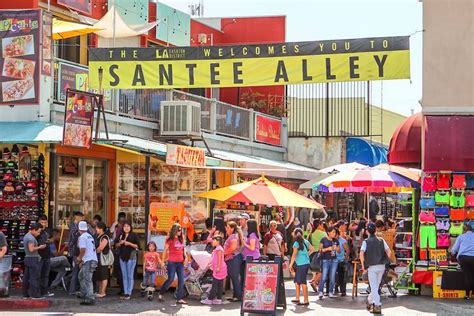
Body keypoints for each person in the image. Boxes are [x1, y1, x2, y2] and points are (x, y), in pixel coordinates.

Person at [359, 223, 392, 314]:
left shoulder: (366, 241)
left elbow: (361, 254)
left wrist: (363, 267)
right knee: (376, 286)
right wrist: (386, 261)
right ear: (376, 230)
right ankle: (370, 301)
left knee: (374, 286)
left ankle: (377, 304)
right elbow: (389, 251)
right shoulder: (381, 240)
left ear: (367, 231)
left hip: (372, 267)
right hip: (381, 266)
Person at [158, 223, 187, 305]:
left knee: (181, 280)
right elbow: (165, 250)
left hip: (180, 263)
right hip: (172, 263)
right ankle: (161, 293)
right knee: (170, 279)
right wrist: (162, 262)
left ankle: (179, 298)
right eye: (179, 230)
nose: (180, 232)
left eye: (181, 230)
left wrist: (185, 257)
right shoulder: (169, 239)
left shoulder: (182, 238)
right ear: (174, 230)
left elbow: (183, 249)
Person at [116, 221, 140, 300]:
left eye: (128, 226)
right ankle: (125, 292)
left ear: (130, 227)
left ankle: (129, 293)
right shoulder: (121, 235)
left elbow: (137, 246)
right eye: (125, 226)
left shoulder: (134, 235)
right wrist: (120, 243)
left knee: (130, 275)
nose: (126, 228)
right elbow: (115, 244)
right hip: (122, 257)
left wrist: (129, 243)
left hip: (131, 257)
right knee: (124, 276)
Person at [289, 228, 313, 306]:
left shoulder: (296, 243)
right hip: (305, 263)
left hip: (300, 264)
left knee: (302, 282)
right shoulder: (306, 241)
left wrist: (290, 265)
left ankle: (306, 300)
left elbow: (294, 255)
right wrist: (306, 255)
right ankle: (297, 298)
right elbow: (312, 249)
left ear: (295, 234)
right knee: (297, 281)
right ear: (302, 234)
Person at [201, 236, 227, 305]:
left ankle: (210, 299)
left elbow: (219, 259)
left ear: (217, 241)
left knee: (215, 285)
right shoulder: (219, 248)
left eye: (213, 240)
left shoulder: (218, 249)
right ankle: (219, 299)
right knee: (220, 285)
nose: (212, 242)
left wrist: (218, 267)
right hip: (221, 268)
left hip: (219, 269)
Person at [77, 221, 98, 305]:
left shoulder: (82, 237)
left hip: (88, 260)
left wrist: (79, 258)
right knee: (81, 276)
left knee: (87, 279)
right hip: (91, 259)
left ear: (79, 229)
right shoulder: (89, 236)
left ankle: (90, 297)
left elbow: (83, 250)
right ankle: (83, 292)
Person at [451, 223, 474, 300]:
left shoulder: (461, 237)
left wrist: (452, 254)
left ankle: (467, 295)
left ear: (464, 230)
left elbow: (454, 250)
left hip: (463, 258)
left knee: (467, 276)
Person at [23, 223, 46, 299]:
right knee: (34, 277)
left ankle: (25, 294)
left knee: (26, 277)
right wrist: (40, 247)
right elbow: (31, 249)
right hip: (32, 259)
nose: (39, 234)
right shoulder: (31, 238)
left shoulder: (27, 236)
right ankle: (35, 295)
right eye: (38, 232)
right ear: (33, 230)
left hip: (27, 258)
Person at [224, 221, 244, 302]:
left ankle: (238, 296)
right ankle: (236, 295)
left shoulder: (233, 236)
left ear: (232, 228)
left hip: (234, 258)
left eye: (228, 227)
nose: (226, 229)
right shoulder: (234, 236)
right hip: (233, 258)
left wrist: (223, 252)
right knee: (234, 277)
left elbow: (233, 248)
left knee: (234, 277)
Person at [318, 226, 340, 299]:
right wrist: (327, 249)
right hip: (325, 260)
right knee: (324, 276)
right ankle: (321, 291)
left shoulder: (336, 241)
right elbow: (320, 250)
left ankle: (330, 291)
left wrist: (336, 248)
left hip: (334, 260)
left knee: (332, 277)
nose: (334, 234)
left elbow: (339, 250)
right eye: (333, 232)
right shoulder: (323, 240)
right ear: (328, 232)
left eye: (335, 232)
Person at [37, 215, 54, 297]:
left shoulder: (47, 232)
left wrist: (50, 241)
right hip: (39, 257)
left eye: (45, 222)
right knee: (38, 275)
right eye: (42, 222)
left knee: (45, 275)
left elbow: (50, 240)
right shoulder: (36, 232)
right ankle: (38, 292)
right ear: (38, 222)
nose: (43, 224)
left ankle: (44, 291)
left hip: (47, 256)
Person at [308, 220, 327, 291]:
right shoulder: (324, 234)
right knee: (322, 270)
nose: (322, 226)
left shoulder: (311, 234)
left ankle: (316, 284)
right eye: (322, 225)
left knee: (317, 270)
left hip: (313, 254)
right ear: (319, 225)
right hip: (321, 253)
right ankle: (314, 282)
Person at [68, 211, 84, 295]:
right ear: (77, 217)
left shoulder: (76, 226)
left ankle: (74, 289)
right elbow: (74, 240)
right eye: (81, 217)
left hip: (77, 251)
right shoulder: (74, 227)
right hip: (75, 252)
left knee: (77, 270)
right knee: (76, 270)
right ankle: (72, 290)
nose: (82, 219)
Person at [94, 222, 111, 298]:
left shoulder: (104, 237)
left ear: (101, 229)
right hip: (98, 259)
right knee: (99, 276)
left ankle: (103, 292)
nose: (96, 229)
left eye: (97, 228)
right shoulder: (97, 236)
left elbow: (101, 248)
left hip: (103, 259)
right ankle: (100, 291)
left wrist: (93, 251)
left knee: (104, 276)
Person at [111, 212, 126, 294]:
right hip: (117, 250)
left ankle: (123, 288)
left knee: (121, 270)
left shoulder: (125, 228)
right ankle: (122, 287)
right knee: (119, 270)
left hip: (121, 251)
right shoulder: (116, 226)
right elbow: (111, 234)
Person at [335, 228, 350, 296]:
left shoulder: (343, 241)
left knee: (341, 276)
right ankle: (335, 288)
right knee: (334, 276)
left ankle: (343, 290)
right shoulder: (331, 240)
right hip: (333, 260)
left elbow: (347, 251)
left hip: (341, 261)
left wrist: (345, 259)